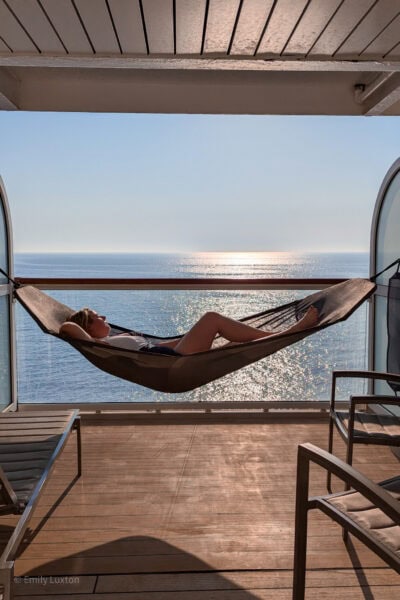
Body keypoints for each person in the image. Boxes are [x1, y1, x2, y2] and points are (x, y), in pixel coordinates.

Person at [59, 305, 319, 356]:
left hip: (173, 353)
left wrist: (187, 338)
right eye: (96, 317)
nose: (104, 317)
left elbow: (160, 346)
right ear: (88, 330)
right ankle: (290, 331)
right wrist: (79, 323)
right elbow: (67, 326)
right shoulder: (103, 346)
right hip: (175, 365)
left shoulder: (114, 340)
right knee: (212, 318)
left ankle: (283, 334)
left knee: (231, 343)